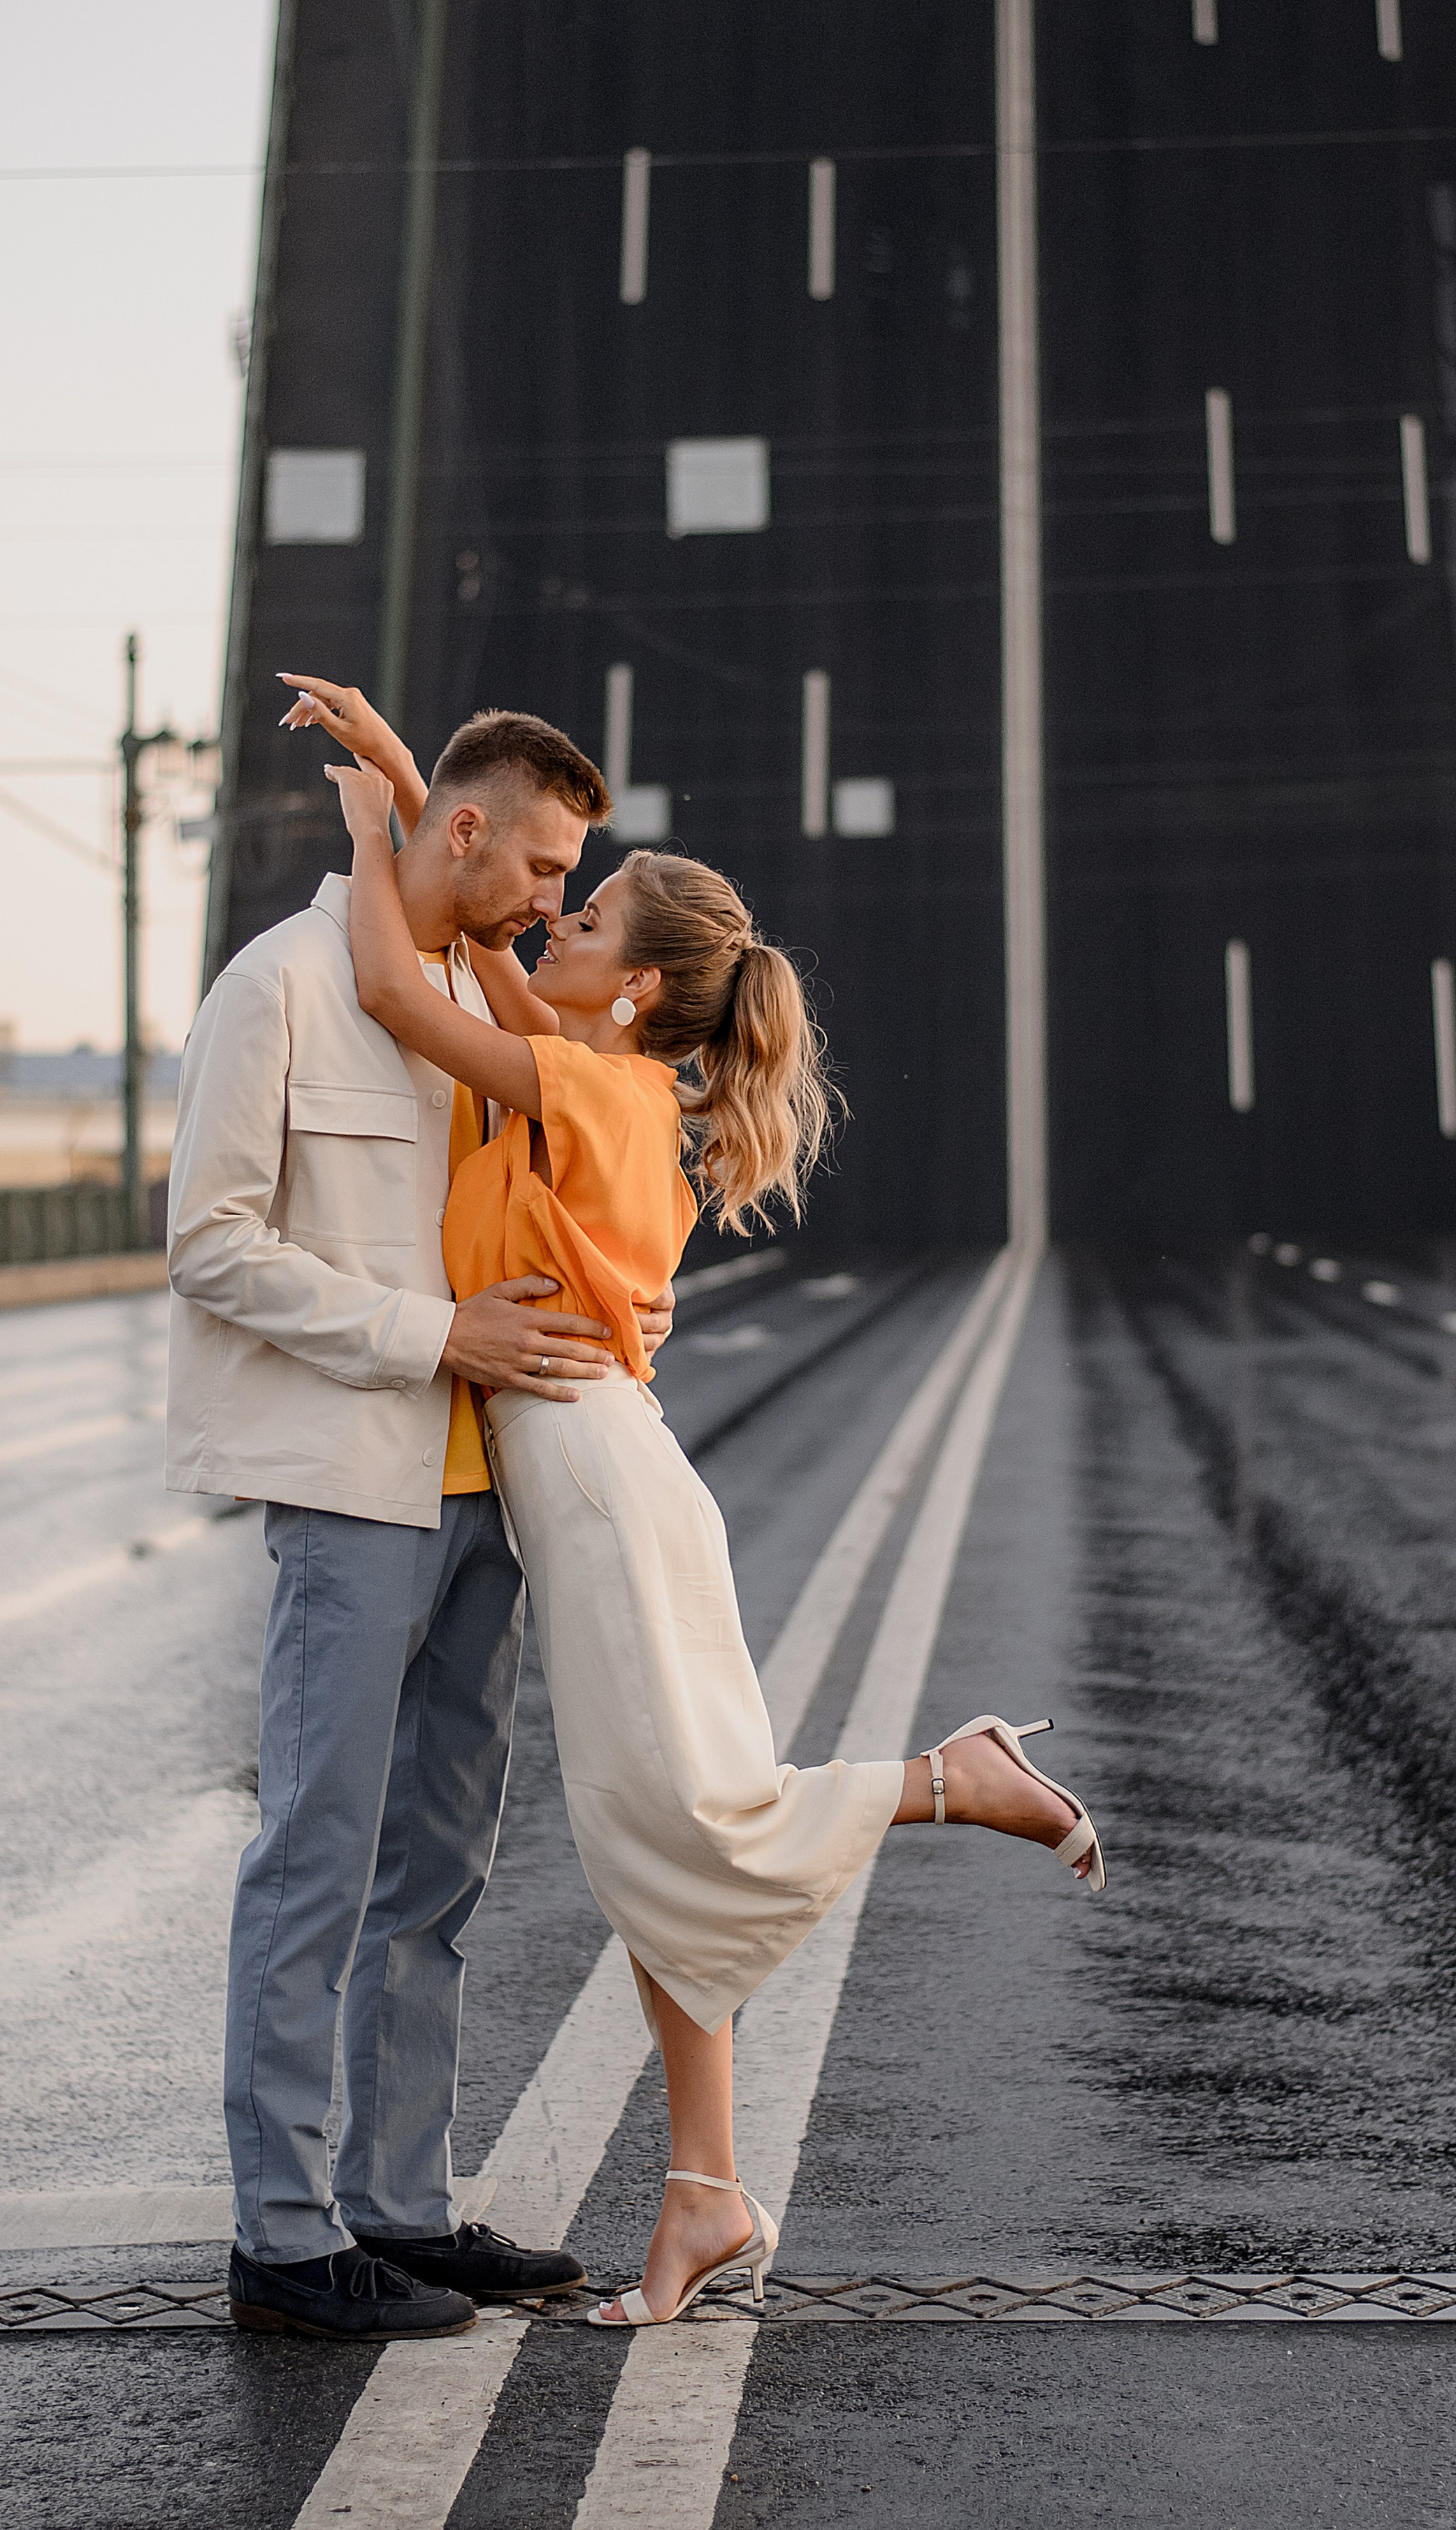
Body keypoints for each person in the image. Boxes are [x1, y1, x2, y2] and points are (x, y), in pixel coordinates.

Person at [312, 696, 1107, 2334]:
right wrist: (409, 778)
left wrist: (359, 833)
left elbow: (398, 984)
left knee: (688, 1823)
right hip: (603, 1472)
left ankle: (951, 1778)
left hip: (599, 1484)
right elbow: (488, 953)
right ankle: (704, 2191)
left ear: (639, 988)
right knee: (653, 1846)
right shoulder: (592, 1072)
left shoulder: (596, 1092)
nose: (557, 914)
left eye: (590, 914)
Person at [166, 693, 675, 2342]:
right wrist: (430, 1335)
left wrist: (609, 1307)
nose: (551, 898)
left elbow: (574, 1187)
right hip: (355, 1486)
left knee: (439, 1873)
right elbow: (209, 1245)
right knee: (317, 1854)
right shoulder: (279, 987)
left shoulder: (473, 990)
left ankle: (396, 2203)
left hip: (491, 1494)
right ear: (463, 831)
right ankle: (280, 2234)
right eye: (540, 865)